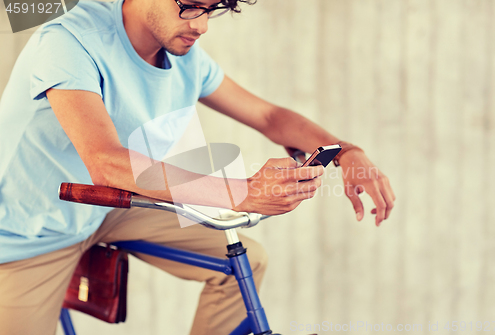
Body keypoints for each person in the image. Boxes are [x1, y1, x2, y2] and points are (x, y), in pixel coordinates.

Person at [0, 0, 396, 334]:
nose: (202, 25)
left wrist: (348, 152)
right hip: (28, 228)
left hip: (106, 208)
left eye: (212, 9)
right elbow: (106, 162)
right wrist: (242, 191)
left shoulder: (179, 51)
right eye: (190, 5)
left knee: (242, 263)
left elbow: (269, 116)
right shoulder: (68, 41)